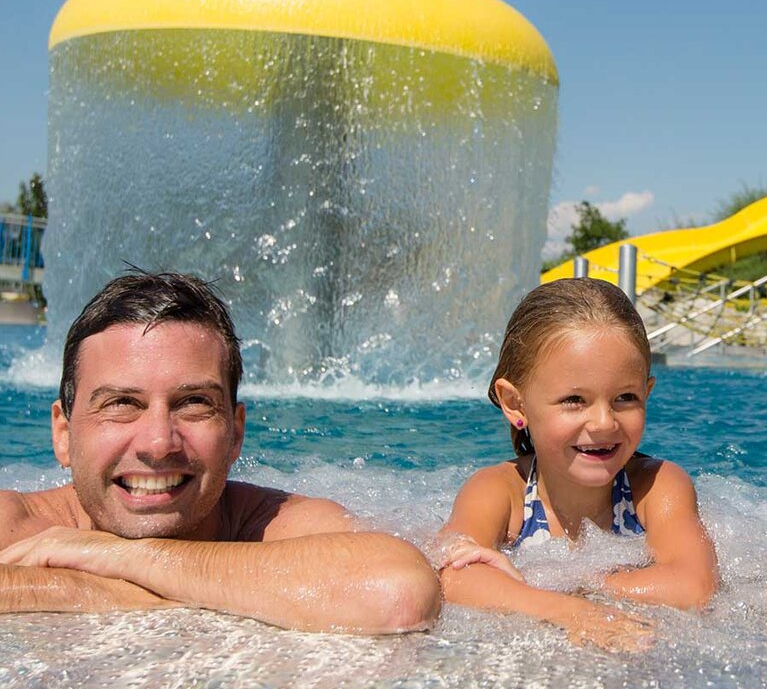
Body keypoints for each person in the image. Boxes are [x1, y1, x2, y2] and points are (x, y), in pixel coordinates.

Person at [0, 271, 440, 633]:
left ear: (234, 433)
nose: (158, 443)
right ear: (63, 433)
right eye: (121, 404)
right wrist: (95, 589)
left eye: (193, 403)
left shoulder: (268, 522)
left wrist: (115, 555)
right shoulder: (20, 524)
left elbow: (399, 593)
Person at [437, 278, 718, 651]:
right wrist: (566, 610)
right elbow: (453, 578)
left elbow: (693, 585)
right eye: (574, 400)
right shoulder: (500, 490)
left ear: (647, 394)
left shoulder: (656, 486)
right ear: (516, 404)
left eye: (625, 397)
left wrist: (564, 584)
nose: (604, 422)